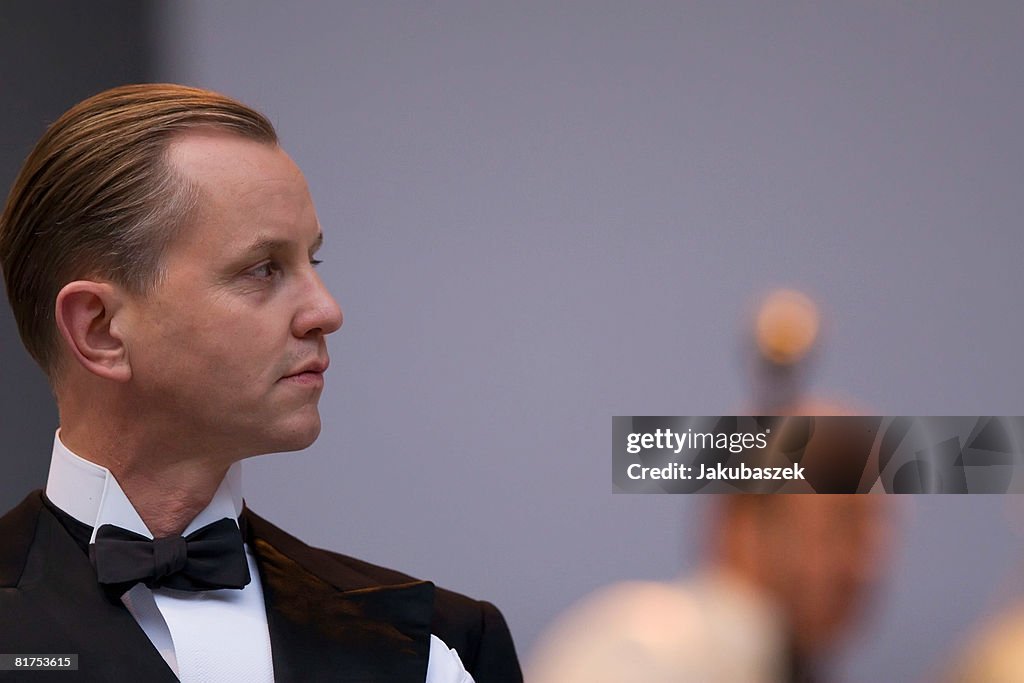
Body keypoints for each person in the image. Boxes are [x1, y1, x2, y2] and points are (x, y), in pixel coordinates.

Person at [0, 84, 521, 682]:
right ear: (101, 329)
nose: (326, 311)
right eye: (263, 269)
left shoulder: (431, 646)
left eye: (311, 262)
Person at [527, 495, 890, 683]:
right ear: (743, 527)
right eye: (842, 525)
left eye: (874, 534)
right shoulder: (653, 652)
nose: (860, 567)